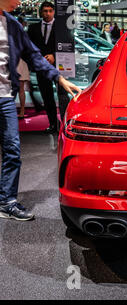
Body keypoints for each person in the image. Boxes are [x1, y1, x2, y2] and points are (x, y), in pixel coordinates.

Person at [0, 0, 81, 220]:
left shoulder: (13, 25)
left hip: (6, 97)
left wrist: (60, 78)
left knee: (12, 150)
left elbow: (34, 56)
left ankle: (6, 201)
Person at [27, 1, 70, 133]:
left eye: (50, 11)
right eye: (45, 11)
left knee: (63, 95)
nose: (48, 13)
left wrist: (54, 56)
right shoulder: (33, 28)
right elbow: (29, 47)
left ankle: (65, 123)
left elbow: (68, 45)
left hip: (60, 66)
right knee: (47, 97)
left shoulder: (61, 27)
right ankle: (53, 124)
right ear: (41, 12)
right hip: (42, 67)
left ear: (54, 12)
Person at [16, 16, 30, 119]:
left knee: (20, 88)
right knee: (18, 88)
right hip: (16, 61)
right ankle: (20, 110)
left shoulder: (24, 35)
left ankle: (22, 110)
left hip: (20, 62)